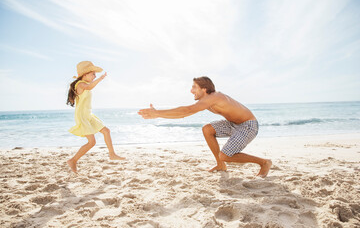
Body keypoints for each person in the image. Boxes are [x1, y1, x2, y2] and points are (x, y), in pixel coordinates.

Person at [138, 76, 271, 177]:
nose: (191, 91)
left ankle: (264, 162)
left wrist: (157, 113)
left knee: (225, 155)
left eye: (194, 87)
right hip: (234, 124)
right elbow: (184, 114)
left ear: (204, 89)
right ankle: (221, 165)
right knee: (207, 129)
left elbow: (187, 110)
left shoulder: (214, 97)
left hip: (247, 125)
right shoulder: (207, 100)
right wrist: (158, 115)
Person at [66, 61, 125, 173]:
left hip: (88, 115)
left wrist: (98, 79)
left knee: (106, 131)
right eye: (93, 74)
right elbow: (90, 87)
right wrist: (101, 79)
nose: (95, 76)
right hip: (82, 116)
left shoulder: (83, 84)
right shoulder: (80, 84)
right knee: (92, 142)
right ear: (85, 74)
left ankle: (112, 154)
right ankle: (73, 160)